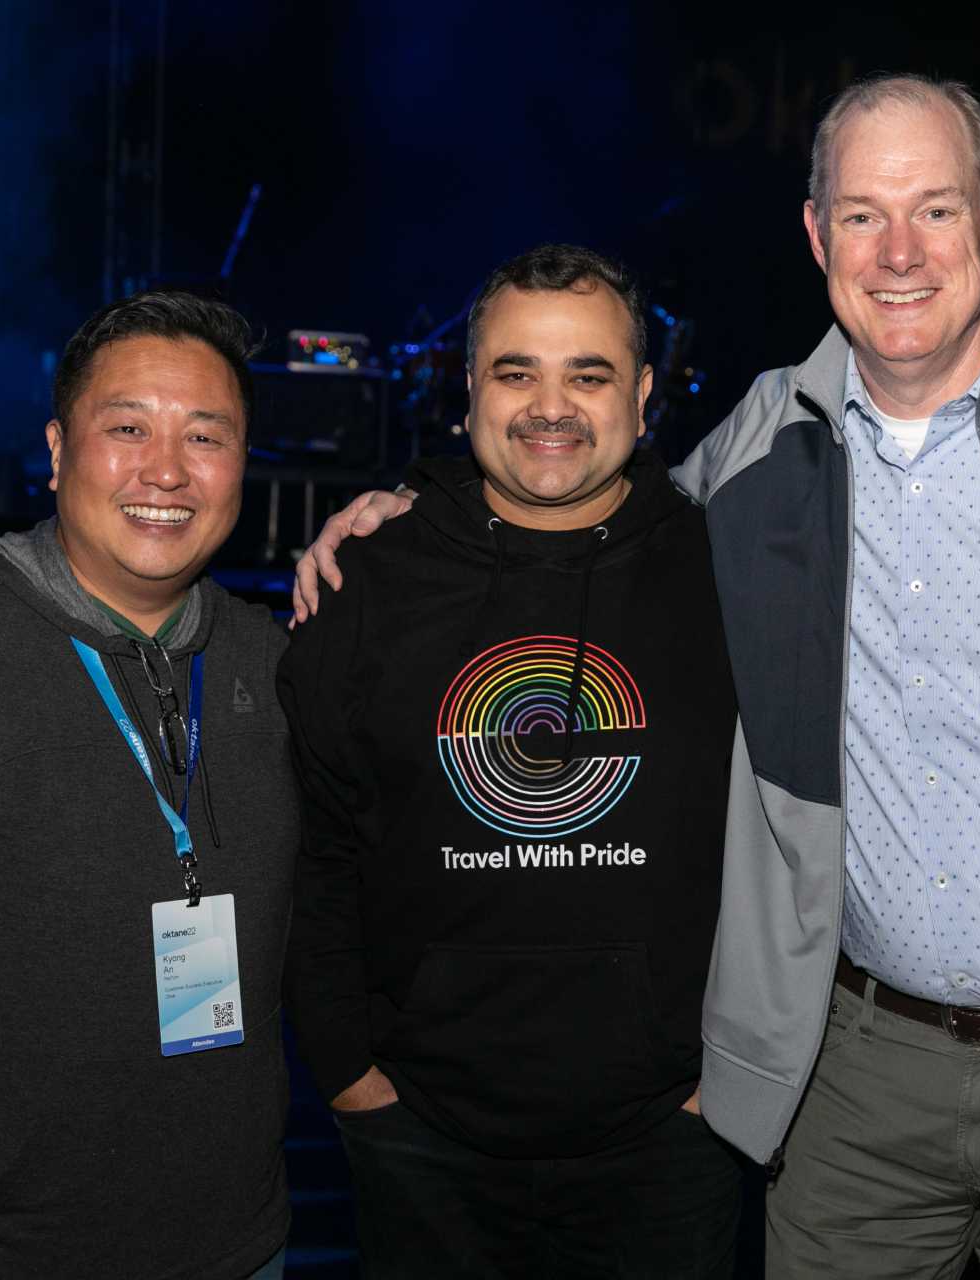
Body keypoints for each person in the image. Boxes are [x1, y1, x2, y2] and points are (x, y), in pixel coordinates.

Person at [297, 75, 980, 1279]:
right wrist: (409, 510)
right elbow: (578, 496)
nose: (897, 251)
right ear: (815, 236)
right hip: (849, 1082)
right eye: (860, 214)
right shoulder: (752, 452)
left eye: (935, 209)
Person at [278, 244, 742, 1278]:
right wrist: (351, 1077)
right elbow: (315, 859)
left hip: (670, 1141)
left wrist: (718, 1088)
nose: (551, 406)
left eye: (588, 372)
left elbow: (797, 846)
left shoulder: (728, 578)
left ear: (643, 392)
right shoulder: (366, 583)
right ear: (467, 386)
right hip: (420, 1142)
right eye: (514, 370)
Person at [0, 291, 298, 1280]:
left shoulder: (280, 665)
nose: (166, 470)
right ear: (56, 444)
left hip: (241, 1244)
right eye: (127, 427)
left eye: (205, 436)